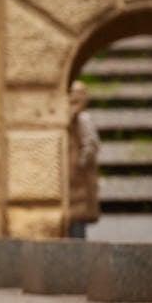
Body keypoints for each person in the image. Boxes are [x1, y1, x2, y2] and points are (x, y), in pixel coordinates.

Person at [67, 80, 101, 239]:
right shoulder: (71, 116)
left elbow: (91, 145)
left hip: (79, 182)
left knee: (77, 222)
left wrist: (79, 164)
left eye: (79, 93)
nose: (75, 96)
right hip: (72, 183)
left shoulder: (83, 118)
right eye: (72, 92)